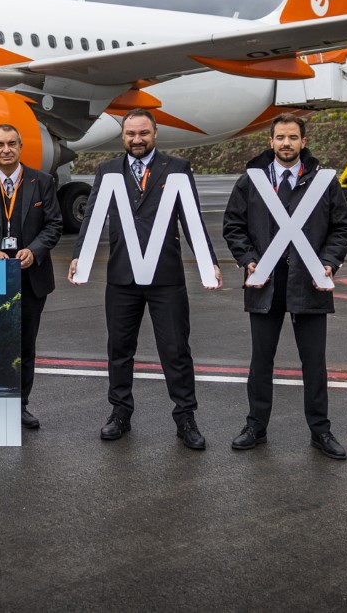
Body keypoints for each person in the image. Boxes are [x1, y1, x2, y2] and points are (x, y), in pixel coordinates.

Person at [69, 109, 222, 449]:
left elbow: (191, 218)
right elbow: (92, 216)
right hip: (122, 276)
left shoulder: (177, 168)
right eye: (131, 134)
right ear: (122, 136)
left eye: (143, 133)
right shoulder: (107, 170)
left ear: (155, 134)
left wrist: (208, 261)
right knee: (119, 349)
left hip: (165, 276)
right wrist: (80, 255)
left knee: (176, 350)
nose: (137, 139)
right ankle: (120, 412)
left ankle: (185, 417)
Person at [221, 114, 347, 460]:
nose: (286, 143)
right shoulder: (251, 182)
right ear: (270, 141)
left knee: (314, 363)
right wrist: (248, 258)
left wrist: (329, 261)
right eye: (280, 137)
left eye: (293, 137)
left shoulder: (323, 182)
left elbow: (342, 227)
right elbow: (233, 225)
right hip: (265, 283)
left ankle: (320, 430)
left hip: (309, 283)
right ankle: (255, 426)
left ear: (303, 142)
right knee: (261, 361)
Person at [0, 124, 62, 430]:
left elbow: (54, 224)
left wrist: (34, 251)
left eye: (11, 143)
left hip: (31, 277)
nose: (6, 149)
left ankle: (20, 404)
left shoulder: (43, 181)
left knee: (25, 346)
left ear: (21, 147)